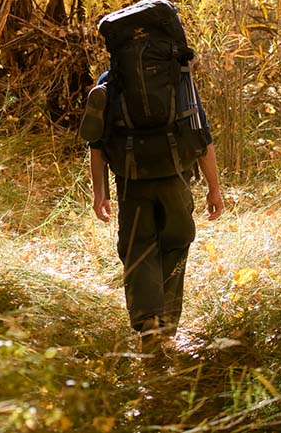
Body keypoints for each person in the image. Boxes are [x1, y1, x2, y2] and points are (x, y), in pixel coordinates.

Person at [82, 68, 224, 349]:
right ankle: (166, 324)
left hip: (131, 179)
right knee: (175, 243)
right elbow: (201, 134)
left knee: (138, 246)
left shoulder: (110, 80)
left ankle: (149, 321)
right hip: (176, 175)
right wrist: (214, 187)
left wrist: (100, 193)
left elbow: (96, 143)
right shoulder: (178, 77)